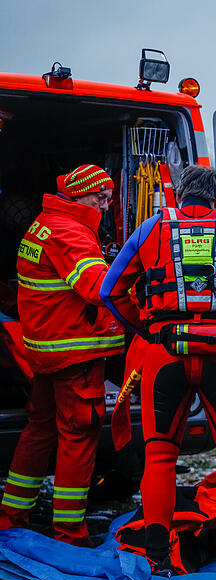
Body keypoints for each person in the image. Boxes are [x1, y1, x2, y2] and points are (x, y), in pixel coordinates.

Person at [100, 165, 216, 577]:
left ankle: (158, 560)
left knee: (160, 456)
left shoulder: (150, 228)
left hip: (165, 354)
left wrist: (147, 330)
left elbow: (110, 290)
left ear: (180, 195)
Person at [0, 165, 124, 545]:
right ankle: (70, 532)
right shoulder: (72, 234)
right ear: (80, 196)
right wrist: (135, 275)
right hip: (75, 354)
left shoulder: (44, 224)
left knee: (38, 431)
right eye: (100, 198)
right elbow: (99, 289)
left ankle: (11, 516)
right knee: (78, 437)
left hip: (45, 352)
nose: (105, 206)